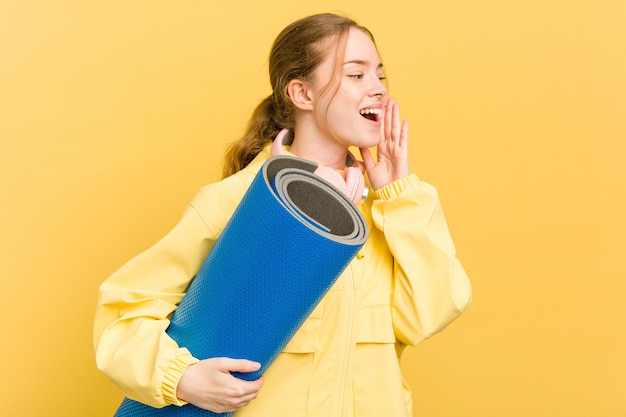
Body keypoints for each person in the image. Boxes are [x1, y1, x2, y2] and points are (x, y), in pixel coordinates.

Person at [94, 12, 472, 417]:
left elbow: (430, 314)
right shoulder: (238, 200)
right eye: (356, 75)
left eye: (381, 76)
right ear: (302, 94)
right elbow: (122, 315)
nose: (378, 89)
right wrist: (183, 378)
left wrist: (400, 194)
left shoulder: (383, 211)